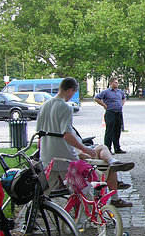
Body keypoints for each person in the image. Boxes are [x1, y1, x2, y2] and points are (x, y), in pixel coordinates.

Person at [37, 77, 133, 208]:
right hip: (66, 158)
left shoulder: (44, 107)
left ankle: (32, 216)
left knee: (43, 192)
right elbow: (67, 135)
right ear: (70, 90)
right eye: (73, 93)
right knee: (83, 190)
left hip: (48, 158)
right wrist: (85, 149)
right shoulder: (66, 107)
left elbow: (40, 137)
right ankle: (94, 216)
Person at [95, 77, 126, 154]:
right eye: (115, 82)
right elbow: (97, 98)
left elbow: (124, 97)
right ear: (111, 83)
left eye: (117, 82)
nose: (117, 84)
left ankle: (117, 148)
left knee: (117, 130)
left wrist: (122, 104)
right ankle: (107, 148)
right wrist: (104, 105)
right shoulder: (106, 92)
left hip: (118, 113)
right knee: (109, 131)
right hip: (110, 112)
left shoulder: (120, 92)